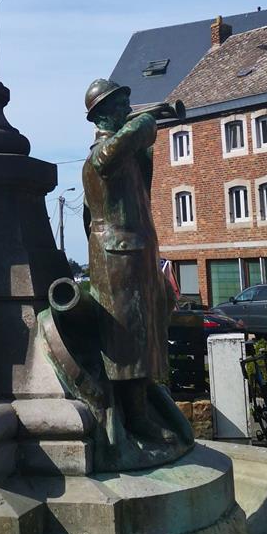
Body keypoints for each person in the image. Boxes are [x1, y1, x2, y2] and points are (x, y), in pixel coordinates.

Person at [82, 79, 175, 450]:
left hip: (135, 252)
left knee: (151, 321)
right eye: (120, 105)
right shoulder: (102, 153)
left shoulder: (125, 156)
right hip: (117, 255)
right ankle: (135, 417)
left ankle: (143, 404)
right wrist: (146, 120)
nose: (127, 110)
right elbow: (108, 155)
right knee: (128, 337)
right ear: (103, 114)